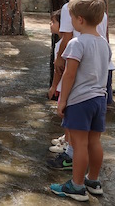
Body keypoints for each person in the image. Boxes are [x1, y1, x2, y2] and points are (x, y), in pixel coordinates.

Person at [49, 0, 113, 171]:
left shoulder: (75, 34)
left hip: (80, 95)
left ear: (79, 20)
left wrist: (63, 100)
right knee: (94, 142)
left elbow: (69, 73)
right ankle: (93, 181)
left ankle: (76, 182)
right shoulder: (103, 39)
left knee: (78, 143)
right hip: (99, 95)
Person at [47, 11, 69, 154]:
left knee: (67, 115)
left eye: (53, 22)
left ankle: (67, 144)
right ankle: (67, 138)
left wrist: (54, 86)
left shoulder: (61, 45)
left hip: (64, 86)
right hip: (66, 86)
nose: (50, 24)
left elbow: (59, 69)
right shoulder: (62, 42)